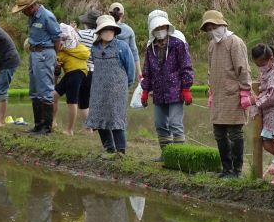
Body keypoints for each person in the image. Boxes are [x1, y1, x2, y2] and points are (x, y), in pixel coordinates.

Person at [202, 10, 251, 178]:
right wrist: (210, 91)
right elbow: (210, 70)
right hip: (218, 95)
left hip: (233, 94)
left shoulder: (235, 42)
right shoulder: (211, 45)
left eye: (214, 26)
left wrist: (245, 91)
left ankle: (237, 171)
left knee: (235, 133)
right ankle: (226, 169)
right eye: (209, 27)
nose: (212, 30)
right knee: (219, 133)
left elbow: (243, 68)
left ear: (222, 25)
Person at [140, 11, 194, 158]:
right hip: (158, 91)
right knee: (160, 124)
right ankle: (167, 155)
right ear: (152, 30)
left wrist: (186, 88)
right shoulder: (150, 48)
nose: (160, 30)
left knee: (175, 124)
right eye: (156, 28)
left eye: (162, 27)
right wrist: (145, 90)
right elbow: (148, 70)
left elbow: (186, 67)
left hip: (175, 91)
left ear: (167, 26)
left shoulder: (178, 44)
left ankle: (179, 156)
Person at [12, 0, 62, 134]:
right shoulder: (32, 17)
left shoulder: (47, 16)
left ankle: (47, 127)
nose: (22, 13)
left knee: (45, 89)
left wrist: (55, 57)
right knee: (34, 90)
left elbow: (57, 37)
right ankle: (38, 125)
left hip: (45, 53)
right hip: (34, 53)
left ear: (31, 6)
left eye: (24, 10)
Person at [85, 15, 135, 155]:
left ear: (114, 30)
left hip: (117, 90)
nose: (108, 32)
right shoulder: (94, 48)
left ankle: (121, 151)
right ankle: (109, 148)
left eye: (110, 29)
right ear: (99, 32)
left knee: (116, 118)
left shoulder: (122, 47)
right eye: (105, 29)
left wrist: (124, 86)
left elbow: (130, 71)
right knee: (99, 117)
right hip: (98, 89)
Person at [250, 44, 274, 183]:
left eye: (262, 63)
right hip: (269, 113)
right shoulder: (266, 71)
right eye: (257, 64)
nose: (260, 66)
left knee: (273, 143)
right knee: (269, 143)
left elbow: (272, 96)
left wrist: (256, 101)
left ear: (271, 59)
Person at [53, 33, 91, 136]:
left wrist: (54, 81)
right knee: (54, 95)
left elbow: (57, 71)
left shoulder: (61, 50)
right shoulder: (78, 47)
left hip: (74, 73)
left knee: (72, 101)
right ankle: (53, 122)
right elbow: (87, 54)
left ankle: (69, 130)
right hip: (81, 72)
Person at [76, 10, 100, 125]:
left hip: (86, 71)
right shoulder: (101, 35)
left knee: (84, 101)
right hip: (99, 71)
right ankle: (96, 126)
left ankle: (89, 127)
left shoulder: (82, 34)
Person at [109, 2, 141, 79]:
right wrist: (139, 72)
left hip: (108, 68)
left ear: (109, 14)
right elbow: (134, 52)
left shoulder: (104, 29)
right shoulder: (129, 30)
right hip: (124, 68)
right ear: (122, 15)